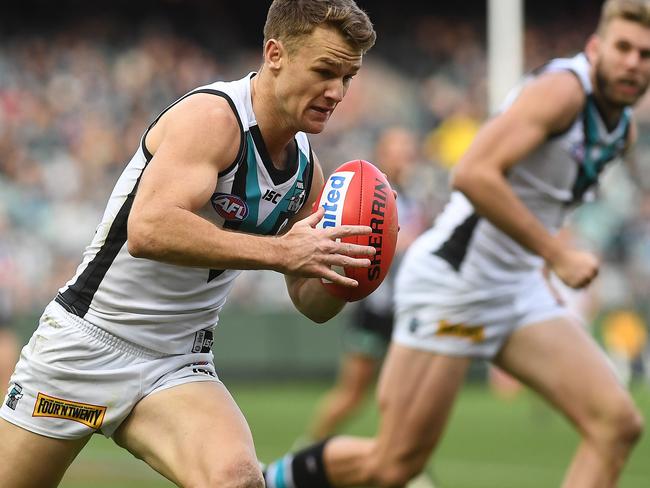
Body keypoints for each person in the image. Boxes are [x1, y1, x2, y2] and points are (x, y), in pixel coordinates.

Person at [263, 1, 649, 487]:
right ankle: (273, 481)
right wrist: (557, 256)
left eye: (646, 54)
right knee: (393, 465)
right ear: (596, 48)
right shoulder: (563, 92)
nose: (634, 62)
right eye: (624, 48)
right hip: (455, 282)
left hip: (516, 287)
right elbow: (473, 173)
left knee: (617, 425)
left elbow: (542, 202)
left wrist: (541, 267)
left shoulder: (623, 132)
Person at [0, 1, 377, 487]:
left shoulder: (305, 170)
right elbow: (150, 230)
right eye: (326, 71)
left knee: (238, 480)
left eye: (348, 77)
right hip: (87, 346)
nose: (337, 92)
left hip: (178, 362)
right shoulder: (213, 118)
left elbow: (313, 306)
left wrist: (352, 265)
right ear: (275, 54)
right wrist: (282, 251)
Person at [304, 127, 430, 442]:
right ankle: (303, 453)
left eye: (408, 149)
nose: (405, 157)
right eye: (398, 149)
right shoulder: (367, 195)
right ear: (383, 154)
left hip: (402, 311)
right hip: (372, 309)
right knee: (352, 394)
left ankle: (400, 462)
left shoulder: (410, 197)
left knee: (406, 394)